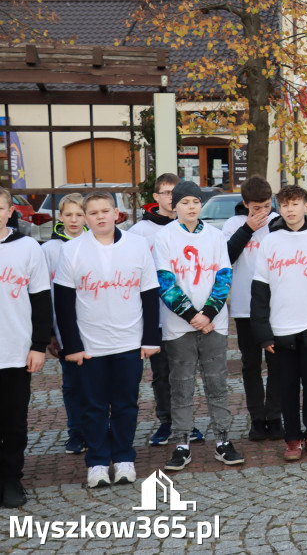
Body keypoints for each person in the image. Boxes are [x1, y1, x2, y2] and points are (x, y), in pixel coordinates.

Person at [55, 191, 161, 489]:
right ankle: (98, 462)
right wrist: (72, 346)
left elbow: (150, 294)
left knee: (127, 404)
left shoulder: (137, 245)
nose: (100, 216)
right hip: (90, 346)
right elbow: (63, 302)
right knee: (93, 406)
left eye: (106, 210)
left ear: (117, 213)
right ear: (86, 218)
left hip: (129, 341)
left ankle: (124, 457)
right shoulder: (73, 250)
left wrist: (151, 337)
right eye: (93, 212)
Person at [251, 185, 307, 461]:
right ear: (279, 208)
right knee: (286, 387)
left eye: (295, 204)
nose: (290, 210)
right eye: (284, 205)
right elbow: (259, 291)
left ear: (306, 206)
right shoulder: (270, 242)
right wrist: (264, 334)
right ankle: (292, 439)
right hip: (281, 329)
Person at [154, 180, 240, 470]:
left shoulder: (215, 236)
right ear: (174, 205)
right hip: (179, 327)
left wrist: (209, 314)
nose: (191, 207)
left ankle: (223, 440)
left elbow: (224, 276)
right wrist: (193, 316)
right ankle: (181, 442)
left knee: (217, 383)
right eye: (185, 202)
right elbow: (165, 283)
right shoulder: (165, 237)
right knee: (181, 386)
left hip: (213, 325)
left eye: (195, 201)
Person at [130, 173, 202, 447]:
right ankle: (166, 421)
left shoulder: (192, 228)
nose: (171, 198)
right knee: (161, 373)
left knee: (184, 371)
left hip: (186, 314)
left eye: (176, 192)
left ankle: (187, 422)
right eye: (166, 192)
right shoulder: (140, 232)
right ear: (156, 197)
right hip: (157, 315)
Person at [0, 186, 53, 508]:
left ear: (9, 211)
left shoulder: (28, 247)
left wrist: (38, 345)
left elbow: (41, 301)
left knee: (14, 421)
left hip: (15, 351)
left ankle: (11, 479)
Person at [222, 176, 283, 442]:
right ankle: (257, 419)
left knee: (277, 365)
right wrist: (247, 228)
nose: (262, 213)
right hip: (245, 307)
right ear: (245, 204)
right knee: (251, 366)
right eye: (256, 208)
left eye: (266, 206)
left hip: (277, 308)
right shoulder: (233, 224)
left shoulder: (279, 222)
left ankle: (275, 416)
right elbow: (224, 257)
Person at [41, 194, 88, 455]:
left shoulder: (94, 244)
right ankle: (75, 431)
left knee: (97, 383)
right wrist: (49, 332)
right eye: (68, 215)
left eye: (79, 215)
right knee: (72, 384)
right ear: (60, 217)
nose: (74, 220)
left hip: (94, 328)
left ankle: (97, 429)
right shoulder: (49, 250)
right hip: (64, 329)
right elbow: (43, 291)